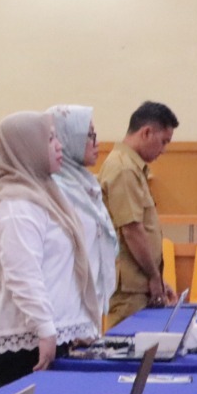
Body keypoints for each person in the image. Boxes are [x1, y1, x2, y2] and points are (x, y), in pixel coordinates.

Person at [0, 112, 102, 386]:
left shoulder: (42, 192)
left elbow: (59, 270)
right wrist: (45, 328)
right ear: (25, 147)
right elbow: (22, 272)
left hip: (47, 332)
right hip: (25, 339)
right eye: (49, 139)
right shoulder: (17, 202)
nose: (59, 146)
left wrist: (78, 324)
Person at [100, 101, 180, 326]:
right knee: (128, 346)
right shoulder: (123, 169)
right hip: (129, 290)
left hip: (138, 283)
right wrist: (154, 276)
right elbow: (132, 230)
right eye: (163, 141)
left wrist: (158, 279)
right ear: (146, 132)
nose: (163, 150)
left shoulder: (133, 167)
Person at [47, 105, 118, 319]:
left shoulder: (86, 185)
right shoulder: (55, 190)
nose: (97, 143)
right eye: (89, 135)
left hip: (88, 301)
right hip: (64, 306)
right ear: (68, 139)